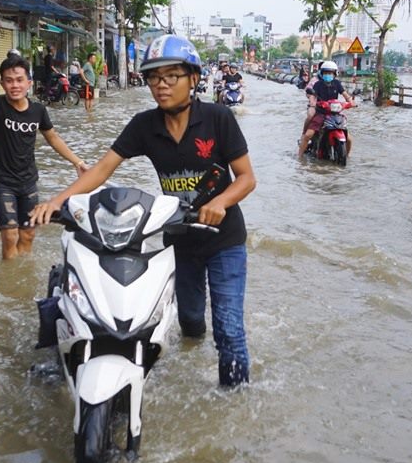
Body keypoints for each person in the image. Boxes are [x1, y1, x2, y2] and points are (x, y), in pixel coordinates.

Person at [30, 34, 257, 387]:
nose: (161, 86)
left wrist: (219, 203)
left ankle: (236, 399)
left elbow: (246, 179)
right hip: (180, 239)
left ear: (193, 78)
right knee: (193, 321)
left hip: (223, 239)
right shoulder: (144, 125)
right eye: (154, 77)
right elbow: (102, 170)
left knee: (228, 328)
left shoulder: (218, 118)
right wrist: (58, 201)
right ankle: (191, 361)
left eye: (171, 76)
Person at [0, 55, 89, 258]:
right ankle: (9, 284)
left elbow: (53, 138)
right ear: (2, 83)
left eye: (19, 80)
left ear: (29, 83)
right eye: (9, 80)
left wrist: (77, 161)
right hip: (2, 184)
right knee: (10, 236)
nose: (14, 85)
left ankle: (22, 276)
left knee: (28, 235)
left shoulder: (38, 111)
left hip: (28, 183)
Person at [298, 60, 354, 158]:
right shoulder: (318, 84)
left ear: (334, 74)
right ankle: (299, 157)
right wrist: (312, 102)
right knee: (308, 135)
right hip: (321, 113)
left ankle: (347, 156)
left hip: (335, 114)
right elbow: (312, 95)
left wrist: (351, 101)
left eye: (330, 73)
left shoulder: (337, 83)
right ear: (322, 73)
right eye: (326, 73)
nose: (328, 75)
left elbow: (345, 94)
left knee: (349, 139)